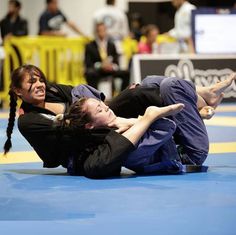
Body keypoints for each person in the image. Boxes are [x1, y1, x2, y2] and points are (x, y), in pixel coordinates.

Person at [3, 64, 236, 178]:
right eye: (31, 82)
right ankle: (200, 101)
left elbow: (82, 96)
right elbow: (70, 130)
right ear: (17, 90)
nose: (39, 84)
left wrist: (128, 120)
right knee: (153, 90)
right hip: (85, 140)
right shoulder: (29, 121)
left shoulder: (53, 91)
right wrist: (136, 121)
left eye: (39, 79)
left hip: (95, 124)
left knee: (145, 84)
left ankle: (202, 97)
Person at [55, 97, 185, 174]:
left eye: (102, 104)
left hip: (177, 151)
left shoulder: (105, 129)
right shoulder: (99, 143)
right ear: (89, 125)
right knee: (126, 151)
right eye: (100, 110)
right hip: (176, 160)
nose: (106, 108)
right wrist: (137, 120)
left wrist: (126, 122)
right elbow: (167, 126)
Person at [84, 22, 129, 93]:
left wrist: (112, 66)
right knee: (90, 73)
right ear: (96, 32)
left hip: (110, 70)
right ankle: (95, 96)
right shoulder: (90, 46)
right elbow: (88, 63)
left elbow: (116, 61)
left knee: (126, 73)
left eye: (103, 30)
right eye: (99, 31)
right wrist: (100, 65)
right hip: (98, 70)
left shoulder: (111, 45)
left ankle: (122, 95)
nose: (101, 33)